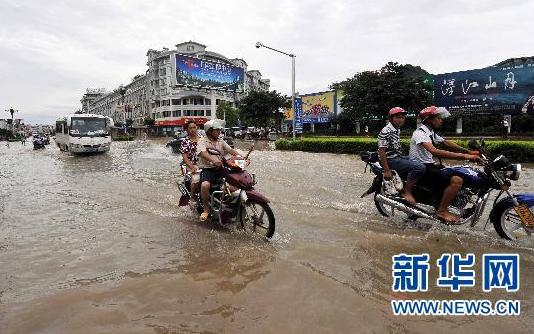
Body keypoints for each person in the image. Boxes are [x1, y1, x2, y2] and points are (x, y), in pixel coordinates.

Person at [409, 106, 481, 223]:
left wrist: (468, 151)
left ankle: (451, 204)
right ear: (429, 120)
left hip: (430, 165)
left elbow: (446, 142)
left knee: (460, 173)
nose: (441, 120)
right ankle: (441, 210)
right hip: (421, 167)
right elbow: (434, 151)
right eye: (438, 118)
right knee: (457, 180)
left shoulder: (430, 132)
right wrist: (466, 157)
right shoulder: (419, 133)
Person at [196, 119, 243, 222]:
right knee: (205, 185)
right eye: (216, 130)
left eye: (219, 130)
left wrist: (241, 157)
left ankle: (228, 203)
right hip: (207, 169)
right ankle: (206, 209)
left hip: (221, 168)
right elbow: (203, 153)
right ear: (209, 131)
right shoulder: (202, 141)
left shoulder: (220, 140)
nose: (219, 132)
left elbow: (230, 150)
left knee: (237, 181)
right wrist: (213, 160)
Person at [378, 107, 425, 204]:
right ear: (391, 119)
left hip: (398, 157)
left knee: (421, 161)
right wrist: (386, 170)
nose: (400, 120)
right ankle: (407, 192)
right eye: (397, 117)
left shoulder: (396, 129)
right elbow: (381, 151)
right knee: (419, 167)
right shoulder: (386, 131)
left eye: (402, 117)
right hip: (391, 160)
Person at [179, 120, 201, 207]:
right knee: (196, 179)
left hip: (204, 164)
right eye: (190, 128)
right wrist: (192, 167)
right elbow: (185, 158)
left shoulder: (203, 139)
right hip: (191, 165)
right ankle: (192, 198)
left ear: (197, 128)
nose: (192, 129)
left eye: (194, 127)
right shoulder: (185, 142)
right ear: (187, 130)